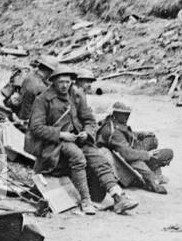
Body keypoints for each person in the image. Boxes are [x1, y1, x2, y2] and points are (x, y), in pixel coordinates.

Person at [25, 66, 138, 216]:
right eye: (61, 82)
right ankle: (86, 201)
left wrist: (87, 132)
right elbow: (36, 127)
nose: (65, 86)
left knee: (98, 158)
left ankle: (118, 197)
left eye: (68, 82)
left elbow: (89, 120)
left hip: (78, 139)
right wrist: (62, 135)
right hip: (53, 143)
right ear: (53, 82)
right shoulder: (43, 99)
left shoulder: (77, 96)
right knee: (77, 156)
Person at [97, 102, 173, 195]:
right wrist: (147, 155)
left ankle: (153, 173)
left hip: (131, 150)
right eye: (124, 114)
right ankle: (154, 177)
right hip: (128, 159)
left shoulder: (113, 122)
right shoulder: (113, 131)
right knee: (167, 153)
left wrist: (140, 133)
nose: (127, 117)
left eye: (128, 114)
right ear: (116, 113)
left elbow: (127, 135)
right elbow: (128, 155)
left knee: (152, 140)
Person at [9, 55, 56, 125]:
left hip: (20, 111)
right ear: (49, 71)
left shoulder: (30, 76)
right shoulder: (41, 87)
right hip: (27, 119)